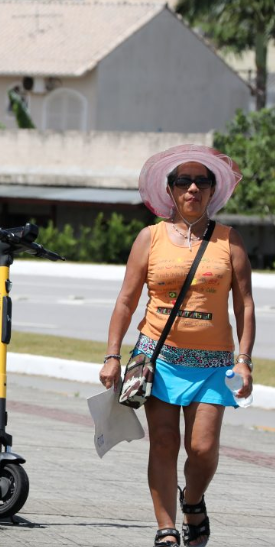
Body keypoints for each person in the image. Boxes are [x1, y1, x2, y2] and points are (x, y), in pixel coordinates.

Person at [100, 144, 255, 547]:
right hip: (158, 357)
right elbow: (126, 300)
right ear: (169, 190)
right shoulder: (149, 238)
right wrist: (113, 355)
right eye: (182, 181)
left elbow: (245, 305)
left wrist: (244, 361)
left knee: (201, 448)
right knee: (165, 442)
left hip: (213, 363)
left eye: (201, 181)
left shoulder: (229, 241)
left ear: (211, 190)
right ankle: (166, 528)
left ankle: (194, 500)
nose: (191, 189)